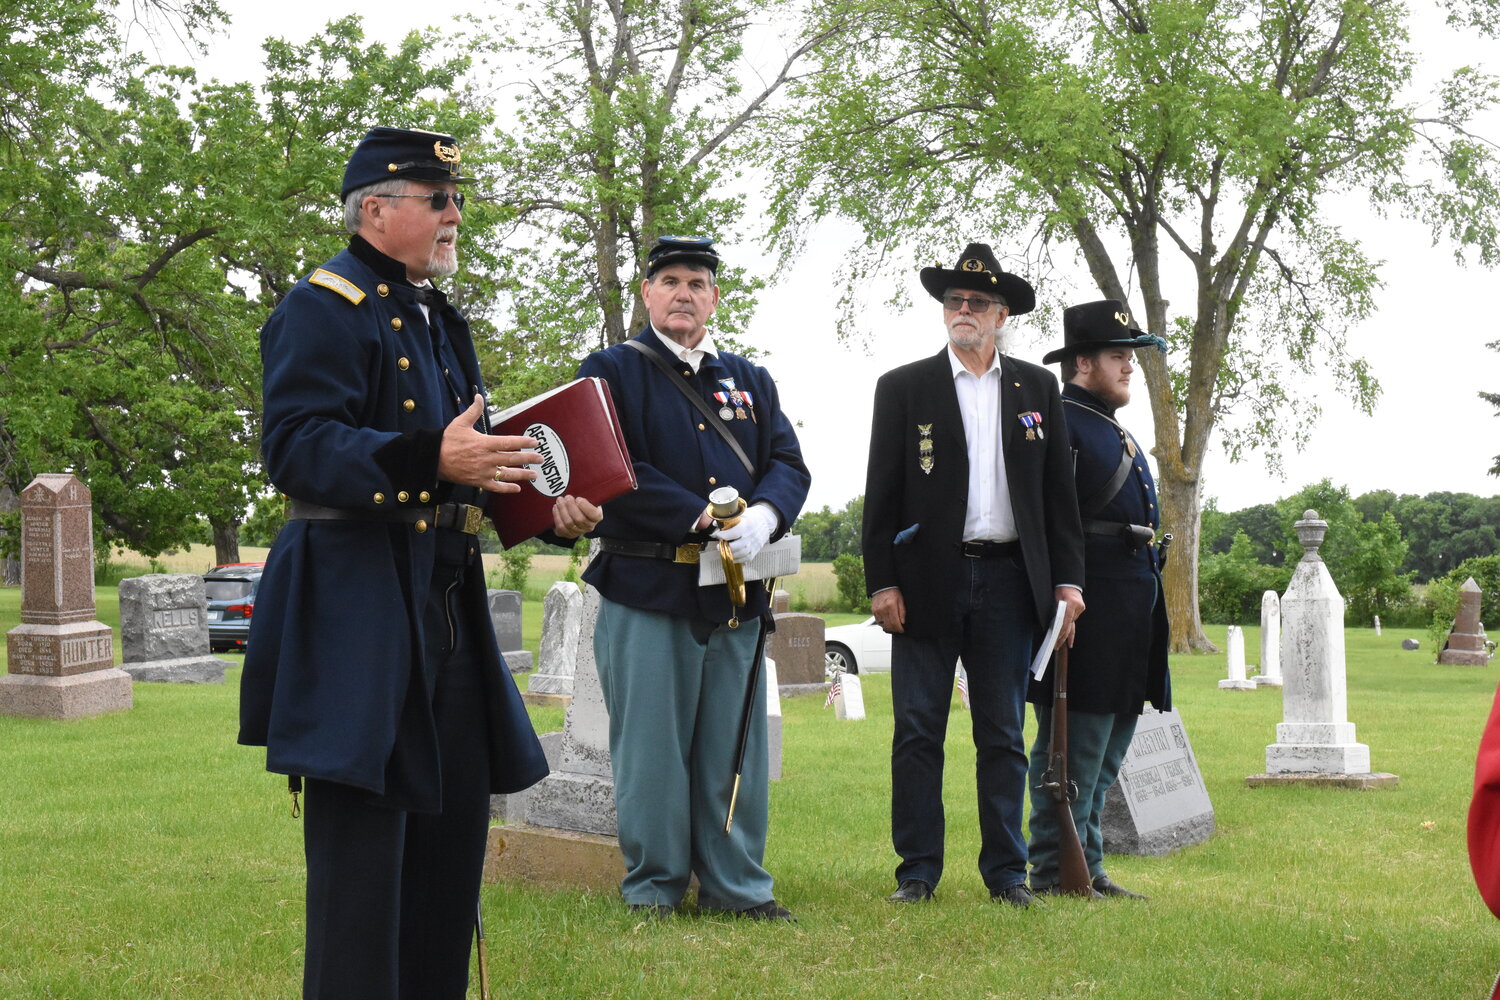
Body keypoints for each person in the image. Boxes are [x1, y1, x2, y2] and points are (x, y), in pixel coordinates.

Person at [239, 125, 600, 1000]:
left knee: (445, 865)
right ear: (375, 209)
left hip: (445, 617)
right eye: (437, 202)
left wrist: (544, 512)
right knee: (361, 884)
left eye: (456, 201)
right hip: (356, 620)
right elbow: (294, 447)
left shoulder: (438, 316)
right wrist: (427, 461)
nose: (455, 217)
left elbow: (468, 461)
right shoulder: (322, 307)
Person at [574, 235, 810, 920]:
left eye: (698, 283)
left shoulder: (751, 379)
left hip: (736, 596)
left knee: (732, 751)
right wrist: (699, 516)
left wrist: (765, 515)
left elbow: (789, 463)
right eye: (671, 281)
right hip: (649, 588)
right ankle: (654, 888)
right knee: (651, 752)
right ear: (646, 293)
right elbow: (609, 469)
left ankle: (738, 888)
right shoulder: (612, 370)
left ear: (713, 297)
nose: (684, 294)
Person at [863, 242, 1085, 908]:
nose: (964, 310)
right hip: (926, 580)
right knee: (918, 730)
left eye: (979, 301)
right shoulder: (903, 388)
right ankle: (918, 872)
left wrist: (1068, 583)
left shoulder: (1037, 389)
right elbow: (882, 494)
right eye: (955, 299)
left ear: (1003, 313)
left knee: (1001, 734)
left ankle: (1007, 874)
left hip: (1010, 583)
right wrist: (882, 582)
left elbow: (1058, 500)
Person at [1025, 299, 1171, 900]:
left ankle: (1089, 865)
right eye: (1118, 356)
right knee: (1072, 748)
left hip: (1131, 604)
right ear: (1082, 362)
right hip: (1089, 607)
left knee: (1106, 755)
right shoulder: (1060, 423)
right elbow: (1049, 521)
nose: (1129, 367)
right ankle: (1056, 867)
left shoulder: (1108, 424)